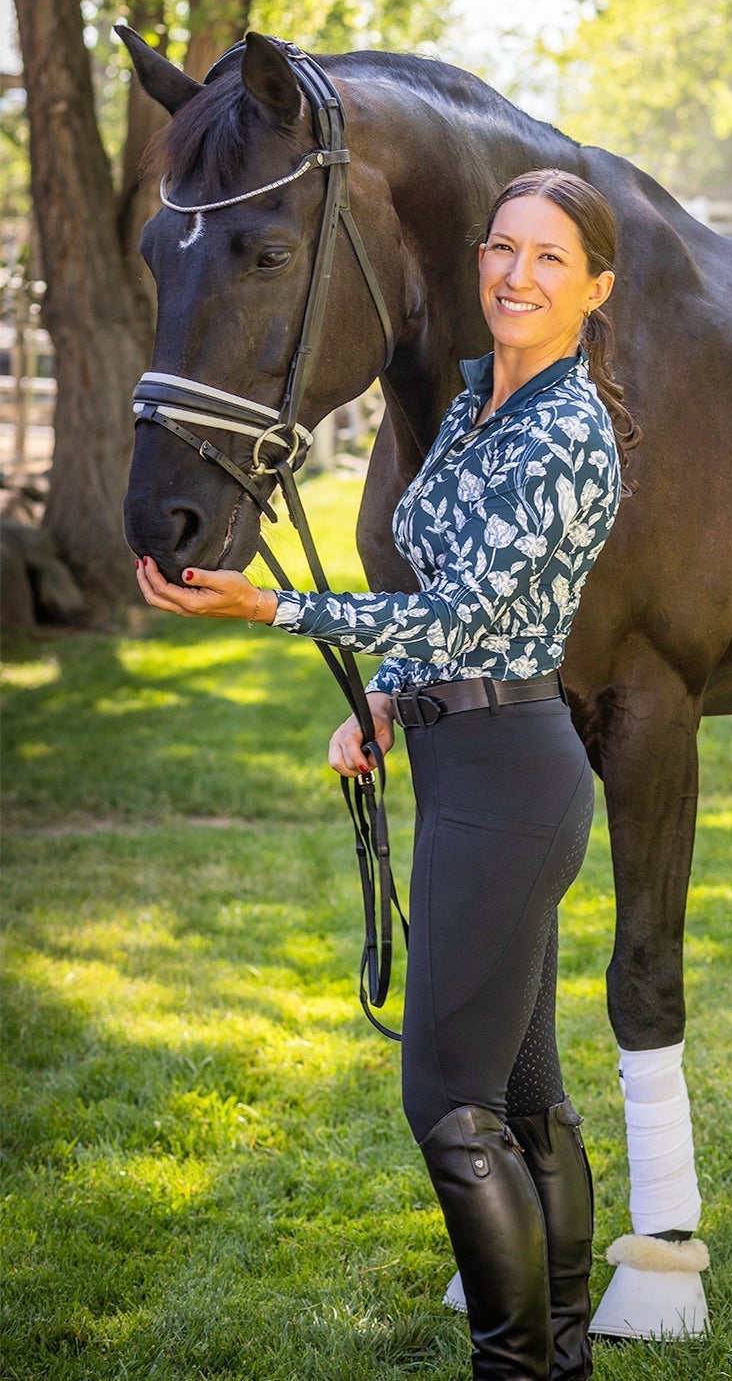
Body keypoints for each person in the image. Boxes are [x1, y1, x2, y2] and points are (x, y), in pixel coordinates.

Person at [135, 169, 639, 1380]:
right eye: (503, 247)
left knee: (449, 1097)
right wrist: (387, 698)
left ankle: (516, 1365)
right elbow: (451, 597)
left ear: (596, 288)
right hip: (470, 758)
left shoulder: (564, 429)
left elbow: (467, 610)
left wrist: (271, 606)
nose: (517, 274)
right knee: (522, 1084)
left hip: (512, 777)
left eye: (551, 258)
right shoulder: (480, 402)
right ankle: (561, 1352)